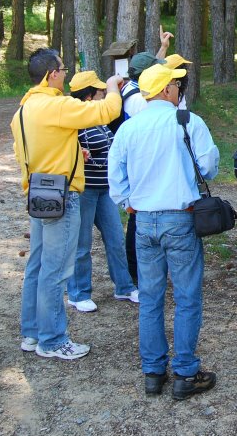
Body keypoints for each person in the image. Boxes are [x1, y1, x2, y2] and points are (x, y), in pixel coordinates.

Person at [108, 63, 220, 400]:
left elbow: (117, 178)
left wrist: (129, 202)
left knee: (151, 299)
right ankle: (185, 372)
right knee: (187, 297)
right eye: (175, 85)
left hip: (143, 221)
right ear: (167, 90)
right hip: (181, 218)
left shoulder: (129, 128)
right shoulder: (187, 122)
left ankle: (153, 372)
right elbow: (210, 166)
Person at [11, 48, 123, 360]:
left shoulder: (22, 111)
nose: (65, 71)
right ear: (53, 75)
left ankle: (32, 334)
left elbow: (32, 152)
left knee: (37, 266)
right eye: (62, 67)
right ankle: (53, 340)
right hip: (63, 195)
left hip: (38, 193)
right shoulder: (55, 105)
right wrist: (113, 86)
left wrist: (74, 153)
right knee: (56, 270)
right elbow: (106, 112)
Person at [67, 71, 138, 313]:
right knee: (82, 244)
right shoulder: (73, 119)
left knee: (115, 238)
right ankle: (78, 293)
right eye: (100, 91)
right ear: (88, 95)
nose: (103, 94)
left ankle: (124, 286)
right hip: (85, 189)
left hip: (104, 189)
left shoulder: (98, 118)